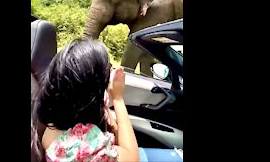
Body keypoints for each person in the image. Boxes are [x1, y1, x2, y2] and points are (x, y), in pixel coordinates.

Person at [31, 38, 182, 162]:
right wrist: (117, 98)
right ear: (90, 95)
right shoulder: (87, 148)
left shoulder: (52, 125)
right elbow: (132, 157)